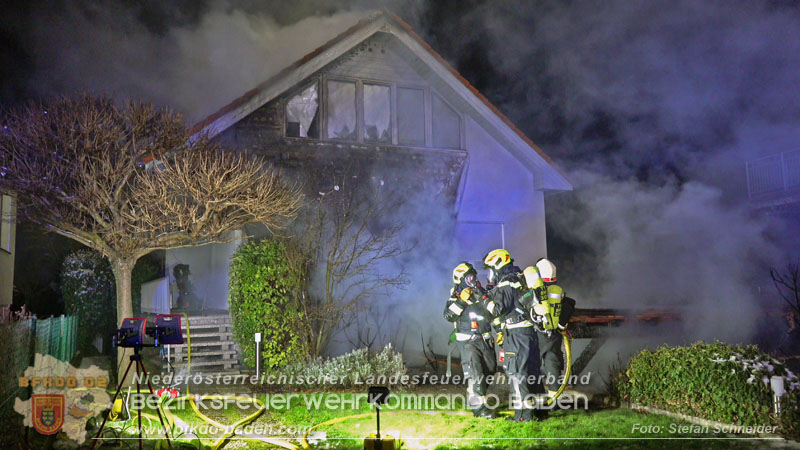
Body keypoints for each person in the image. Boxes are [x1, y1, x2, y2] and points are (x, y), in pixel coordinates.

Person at [482, 249, 548, 422]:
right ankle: (541, 411)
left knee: (517, 375)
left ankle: (522, 415)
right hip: (529, 333)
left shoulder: (505, 283)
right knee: (533, 373)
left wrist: (484, 300)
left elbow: (497, 310)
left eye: (491, 269)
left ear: (498, 265)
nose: (490, 274)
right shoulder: (519, 278)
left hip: (516, 336)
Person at [443, 262, 498, 418]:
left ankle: (476, 395)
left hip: (485, 340)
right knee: (476, 373)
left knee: (490, 368)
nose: (473, 280)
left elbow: (491, 314)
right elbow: (449, 316)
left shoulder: (480, 293)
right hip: (468, 342)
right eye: (469, 277)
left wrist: (499, 331)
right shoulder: (455, 297)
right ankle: (478, 408)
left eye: (473, 276)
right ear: (461, 279)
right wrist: (461, 301)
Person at [534, 258, 576, 397]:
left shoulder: (537, 291)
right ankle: (554, 398)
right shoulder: (558, 292)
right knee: (553, 365)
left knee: (533, 366)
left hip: (538, 333)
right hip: (555, 334)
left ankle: (536, 399)